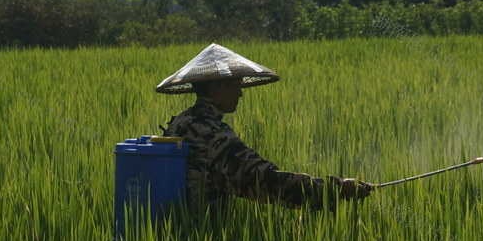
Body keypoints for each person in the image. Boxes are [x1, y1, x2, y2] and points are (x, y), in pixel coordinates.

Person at [157, 43, 373, 215]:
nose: (240, 94)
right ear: (217, 85)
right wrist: (336, 189)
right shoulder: (212, 133)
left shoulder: (181, 122)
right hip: (198, 240)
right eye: (236, 85)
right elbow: (264, 182)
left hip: (170, 227)